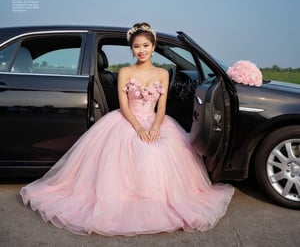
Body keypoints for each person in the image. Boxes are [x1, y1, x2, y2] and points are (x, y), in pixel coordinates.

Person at [20, 22, 234, 236]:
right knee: (141, 149)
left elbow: (162, 106)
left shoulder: (162, 74)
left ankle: (154, 200)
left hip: (155, 120)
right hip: (127, 120)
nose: (142, 50)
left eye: (146, 46)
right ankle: (130, 202)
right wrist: (139, 127)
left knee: (159, 149)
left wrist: (156, 126)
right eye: (137, 46)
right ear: (132, 49)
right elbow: (123, 105)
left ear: (153, 46)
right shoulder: (125, 71)